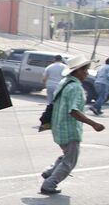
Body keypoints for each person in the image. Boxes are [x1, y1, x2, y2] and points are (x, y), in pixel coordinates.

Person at [40, 55, 105, 195]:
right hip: (69, 130)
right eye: (84, 70)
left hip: (58, 128)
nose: (87, 73)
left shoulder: (64, 82)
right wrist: (94, 124)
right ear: (76, 71)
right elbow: (74, 111)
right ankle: (49, 184)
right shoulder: (76, 87)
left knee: (67, 155)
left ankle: (49, 172)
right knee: (70, 161)